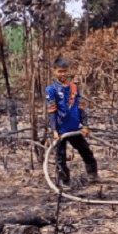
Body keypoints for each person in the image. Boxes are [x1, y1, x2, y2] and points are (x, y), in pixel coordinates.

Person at [46, 58, 99, 186]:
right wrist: (54, 130)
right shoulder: (51, 89)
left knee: (87, 152)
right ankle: (65, 183)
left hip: (75, 128)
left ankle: (93, 177)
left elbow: (80, 107)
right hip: (60, 130)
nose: (62, 74)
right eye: (60, 71)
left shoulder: (74, 87)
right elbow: (52, 111)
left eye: (65, 71)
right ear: (54, 72)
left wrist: (85, 125)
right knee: (60, 158)